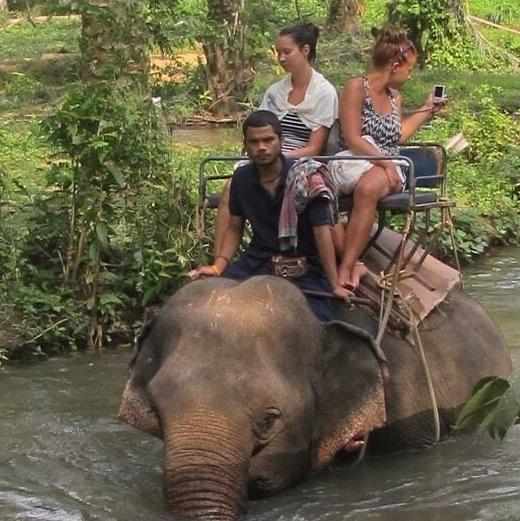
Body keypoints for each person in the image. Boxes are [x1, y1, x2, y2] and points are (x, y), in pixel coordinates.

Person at [189, 110, 349, 320]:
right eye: (254, 142)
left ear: (281, 141)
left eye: (268, 140)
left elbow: (322, 233)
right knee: (209, 307)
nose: (261, 147)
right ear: (245, 145)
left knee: (317, 321)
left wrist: (335, 284)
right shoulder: (242, 178)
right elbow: (234, 227)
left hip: (304, 265)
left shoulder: (306, 178)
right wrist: (218, 266)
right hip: (258, 261)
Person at [330, 25, 446, 296]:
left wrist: (427, 109)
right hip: (357, 159)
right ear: (395, 65)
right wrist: (385, 162)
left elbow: (399, 136)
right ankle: (351, 259)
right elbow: (352, 137)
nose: (409, 76)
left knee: (368, 188)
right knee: (323, 192)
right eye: (409, 69)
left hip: (385, 167)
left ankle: (346, 267)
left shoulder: (395, 97)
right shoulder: (356, 88)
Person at [259, 23, 338, 250]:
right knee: (234, 185)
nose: (281, 58)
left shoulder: (323, 93)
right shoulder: (275, 92)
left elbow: (314, 148)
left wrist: (280, 157)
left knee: (301, 186)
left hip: (304, 161)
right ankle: (220, 262)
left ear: (305, 50)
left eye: (286, 52)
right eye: (278, 53)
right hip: (269, 157)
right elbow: (259, 130)